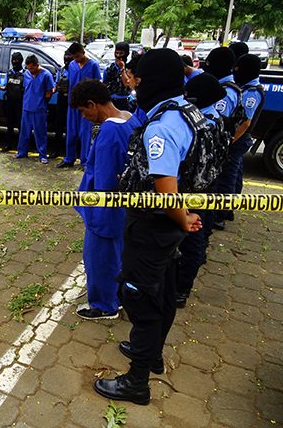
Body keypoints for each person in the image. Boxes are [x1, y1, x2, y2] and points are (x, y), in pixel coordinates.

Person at [95, 49, 203, 405]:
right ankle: (152, 353)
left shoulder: (162, 128)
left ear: (153, 81)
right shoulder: (186, 111)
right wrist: (184, 216)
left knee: (141, 298)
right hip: (167, 228)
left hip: (153, 226)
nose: (134, 86)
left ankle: (136, 381)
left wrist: (182, 216)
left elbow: (165, 189)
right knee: (165, 291)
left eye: (139, 80)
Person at [72, 79, 141, 319]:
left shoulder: (109, 132)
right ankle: (116, 297)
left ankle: (103, 305)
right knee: (118, 256)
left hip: (105, 209)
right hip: (125, 207)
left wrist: (96, 212)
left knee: (99, 259)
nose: (84, 117)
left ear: (93, 104)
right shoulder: (130, 118)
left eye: (84, 111)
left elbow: (103, 178)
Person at [175, 73, 228, 308]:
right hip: (206, 186)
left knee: (191, 238)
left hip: (197, 189)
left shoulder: (205, 125)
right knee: (198, 233)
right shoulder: (214, 118)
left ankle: (180, 289)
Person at [215, 54, 264, 228]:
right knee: (234, 174)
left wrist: (230, 141)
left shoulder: (252, 92)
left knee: (227, 177)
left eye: (238, 69)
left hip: (239, 140)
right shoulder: (246, 87)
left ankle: (220, 215)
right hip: (238, 140)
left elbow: (246, 122)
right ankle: (229, 209)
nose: (235, 72)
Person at [203, 47, 241, 229]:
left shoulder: (225, 92)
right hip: (220, 144)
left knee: (222, 181)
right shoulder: (222, 86)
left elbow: (217, 123)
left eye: (209, 63)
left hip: (219, 145)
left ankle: (218, 217)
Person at [58, 42, 101, 168]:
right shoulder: (72, 65)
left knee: (85, 133)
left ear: (83, 52)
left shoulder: (93, 65)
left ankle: (85, 161)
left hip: (87, 106)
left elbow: (97, 84)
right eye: (74, 57)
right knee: (71, 132)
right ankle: (69, 158)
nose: (76, 59)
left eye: (77, 56)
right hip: (73, 104)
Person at [15, 54, 54, 164]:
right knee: (24, 132)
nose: (30, 70)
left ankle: (42, 155)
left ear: (37, 65)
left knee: (40, 133)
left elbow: (49, 92)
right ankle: (22, 152)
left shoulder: (46, 75)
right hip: (27, 107)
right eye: (28, 68)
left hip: (39, 109)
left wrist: (43, 102)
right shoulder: (27, 74)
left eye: (32, 68)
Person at [50, 49, 72, 158]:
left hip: (71, 100)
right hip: (61, 99)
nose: (66, 58)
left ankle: (68, 153)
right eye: (65, 56)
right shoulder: (62, 70)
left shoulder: (75, 70)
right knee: (58, 126)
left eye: (69, 56)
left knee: (69, 128)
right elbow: (56, 84)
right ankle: (56, 150)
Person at [2, 52, 25, 151]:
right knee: (9, 124)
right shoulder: (9, 73)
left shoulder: (25, 73)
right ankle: (9, 144)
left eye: (17, 60)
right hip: (9, 102)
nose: (15, 62)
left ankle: (21, 146)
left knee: (20, 125)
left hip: (20, 102)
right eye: (13, 60)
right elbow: (4, 86)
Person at [103, 42, 132, 111]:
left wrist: (122, 69)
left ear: (126, 54)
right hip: (110, 101)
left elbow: (128, 84)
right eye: (117, 53)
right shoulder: (109, 68)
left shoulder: (130, 68)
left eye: (121, 53)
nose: (118, 56)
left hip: (124, 101)